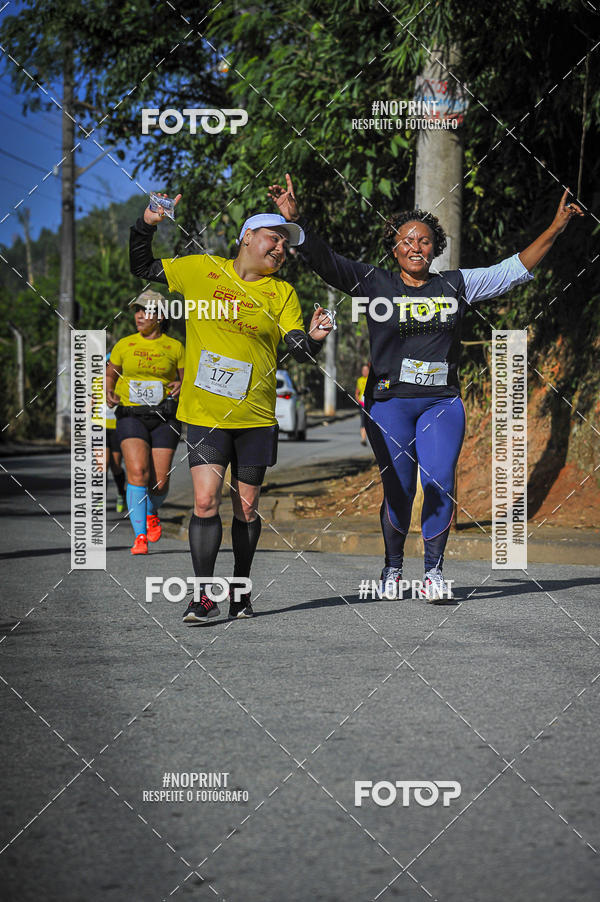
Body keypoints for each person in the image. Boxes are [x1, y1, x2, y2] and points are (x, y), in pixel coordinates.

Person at [268, 175, 583, 600]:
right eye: (406, 241)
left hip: (440, 403)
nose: (415, 246)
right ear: (394, 249)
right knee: (399, 491)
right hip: (388, 405)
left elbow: (514, 270)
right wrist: (296, 223)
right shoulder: (373, 282)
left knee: (439, 483)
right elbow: (327, 261)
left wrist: (557, 226)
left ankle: (433, 572)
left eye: (424, 240)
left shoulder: (455, 285)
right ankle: (393, 568)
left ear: (435, 247)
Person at [129, 196, 333, 623]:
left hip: (256, 416)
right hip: (204, 413)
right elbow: (144, 267)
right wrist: (147, 224)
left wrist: (313, 338)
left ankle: (240, 589)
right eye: (274, 238)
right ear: (247, 237)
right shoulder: (201, 269)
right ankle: (204, 596)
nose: (280, 248)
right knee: (204, 502)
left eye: (285, 244)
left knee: (246, 508)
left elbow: (295, 346)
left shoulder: (282, 293)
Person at [106, 291, 184, 554]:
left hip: (164, 417)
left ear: (160, 316)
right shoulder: (124, 344)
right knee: (137, 472)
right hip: (131, 416)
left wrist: (180, 385)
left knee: (159, 483)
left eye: (145, 310)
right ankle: (140, 536)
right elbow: (111, 373)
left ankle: (151, 511)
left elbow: (186, 379)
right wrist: (109, 391)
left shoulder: (175, 347)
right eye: (137, 310)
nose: (139, 315)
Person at [355, 363, 370, 445]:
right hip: (362, 403)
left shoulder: (371, 379)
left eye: (366, 370)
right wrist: (358, 401)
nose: (364, 372)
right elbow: (357, 392)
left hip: (370, 403)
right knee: (363, 421)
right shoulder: (359, 380)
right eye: (363, 370)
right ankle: (363, 439)